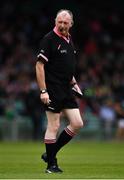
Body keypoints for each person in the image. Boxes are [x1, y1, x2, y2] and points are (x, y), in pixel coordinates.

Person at [36, 9, 84, 173]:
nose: (62, 25)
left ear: (71, 24)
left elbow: (65, 66)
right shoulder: (49, 39)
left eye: (65, 22)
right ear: (55, 21)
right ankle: (51, 165)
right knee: (54, 125)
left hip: (66, 88)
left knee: (77, 123)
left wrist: (74, 82)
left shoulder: (69, 39)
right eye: (59, 22)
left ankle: (50, 153)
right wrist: (43, 91)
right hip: (52, 89)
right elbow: (39, 66)